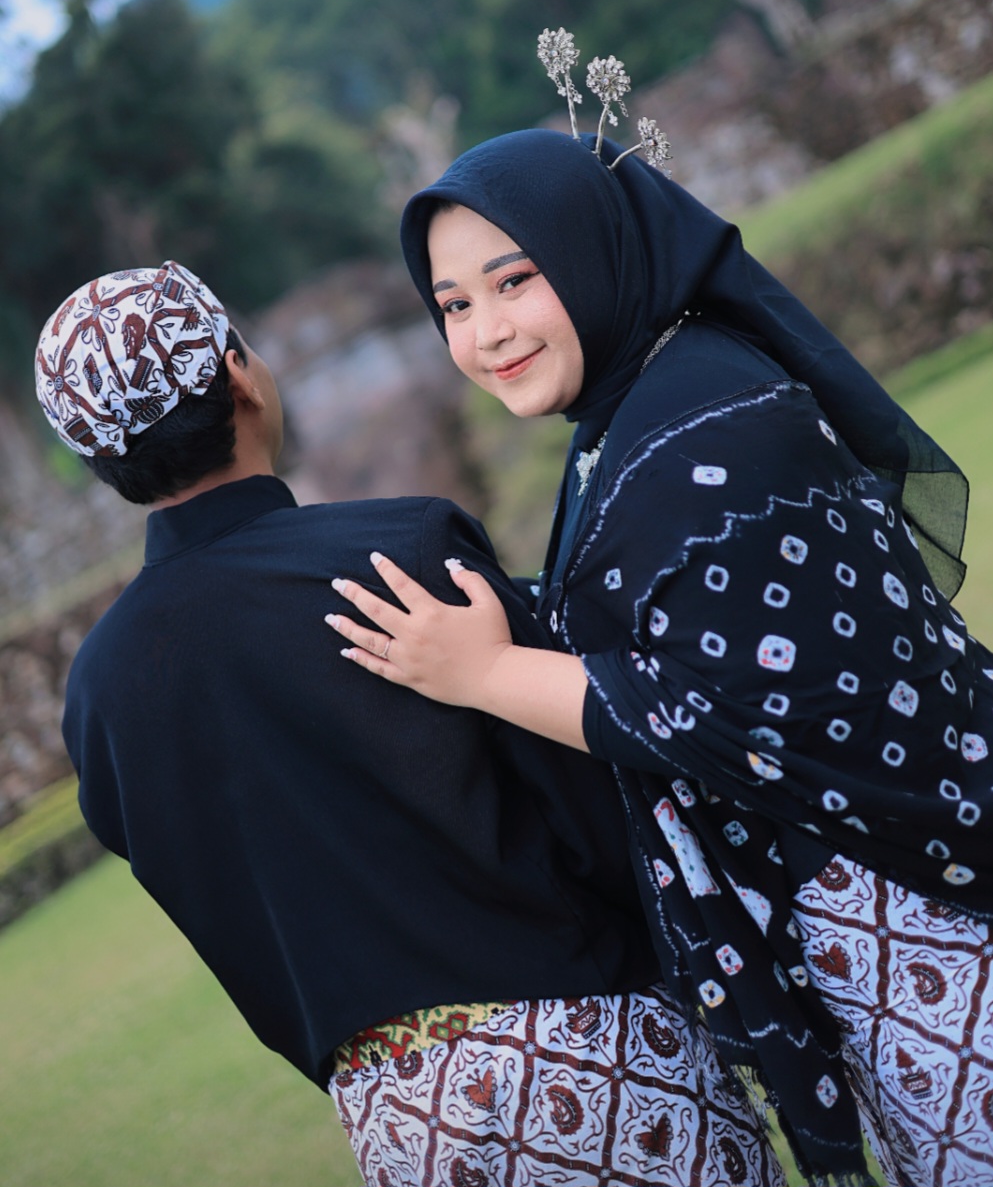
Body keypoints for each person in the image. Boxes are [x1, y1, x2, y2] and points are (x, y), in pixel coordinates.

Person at [328, 120, 993, 1187]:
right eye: (453, 304)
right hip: (868, 908)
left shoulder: (705, 418)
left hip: (923, 913)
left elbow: (734, 708)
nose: (487, 331)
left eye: (514, 280)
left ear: (593, 250)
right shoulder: (634, 413)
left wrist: (483, 672)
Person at [35, 259, 787, 1187]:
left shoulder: (98, 695)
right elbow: (592, 802)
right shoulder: (399, 551)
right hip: (591, 1047)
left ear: (101, 460)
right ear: (240, 377)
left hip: (396, 1112)